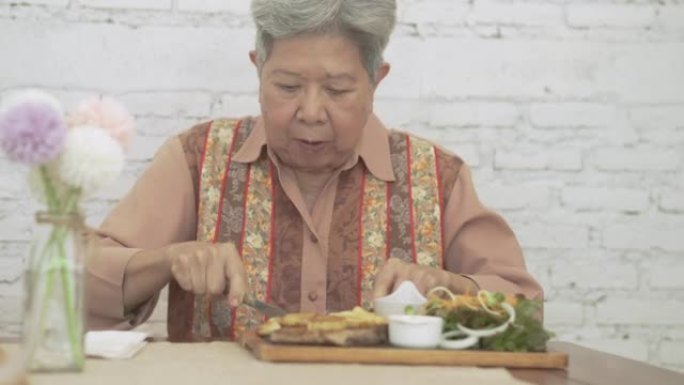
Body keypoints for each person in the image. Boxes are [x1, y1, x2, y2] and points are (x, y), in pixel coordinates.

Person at [87, 0, 542, 342]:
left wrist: (449, 289)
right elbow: (76, 282)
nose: (309, 112)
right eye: (286, 86)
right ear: (257, 68)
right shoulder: (197, 159)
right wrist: (167, 260)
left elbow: (528, 312)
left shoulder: (436, 176)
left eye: (337, 90)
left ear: (376, 80)